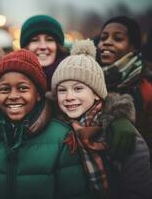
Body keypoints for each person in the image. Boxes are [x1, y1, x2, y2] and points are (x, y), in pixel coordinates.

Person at [0, 49, 101, 199]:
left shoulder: (62, 137)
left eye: (23, 88)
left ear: (38, 95)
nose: (13, 96)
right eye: (5, 89)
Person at [50, 39, 152, 198]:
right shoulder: (56, 128)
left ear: (97, 94)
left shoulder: (120, 134)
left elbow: (138, 190)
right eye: (62, 90)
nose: (69, 97)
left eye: (78, 88)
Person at [97, 15, 152, 164]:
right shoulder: (89, 79)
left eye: (118, 38)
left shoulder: (147, 89)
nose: (107, 43)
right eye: (103, 38)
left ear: (133, 47)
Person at [20, 15, 69, 90]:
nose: (43, 46)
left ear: (58, 46)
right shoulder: (14, 78)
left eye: (49, 40)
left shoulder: (75, 77)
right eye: (35, 40)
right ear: (26, 47)